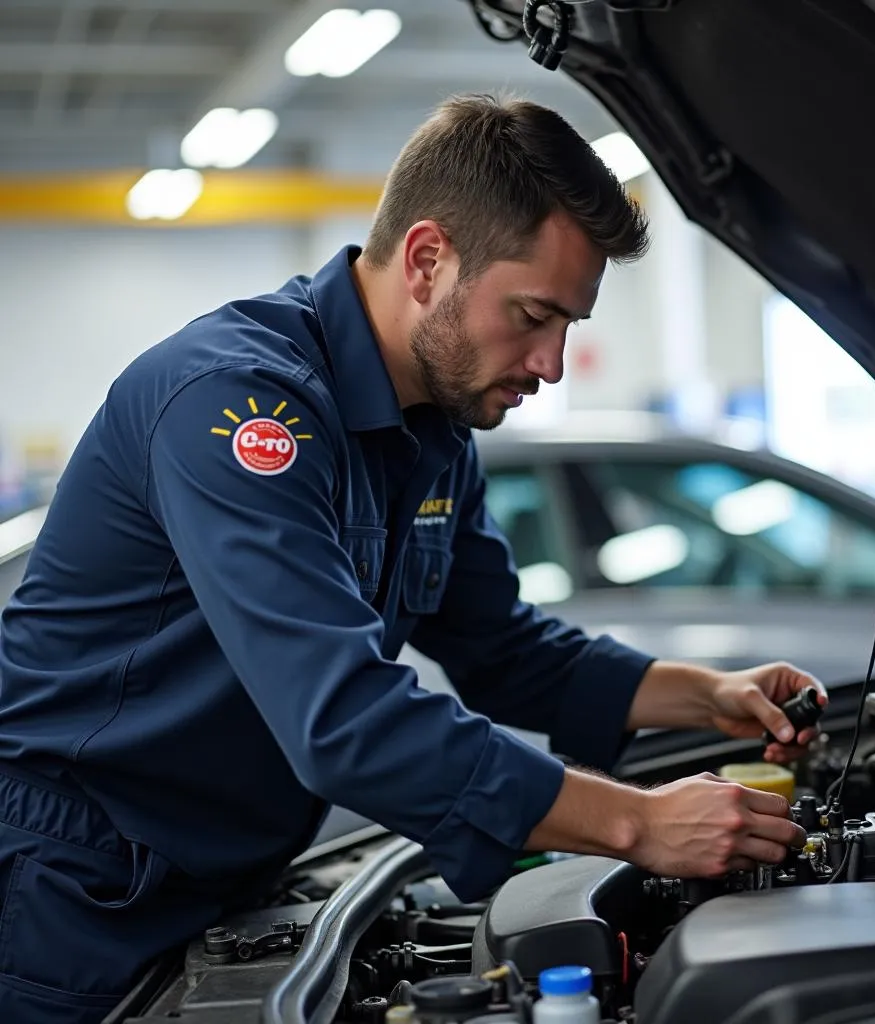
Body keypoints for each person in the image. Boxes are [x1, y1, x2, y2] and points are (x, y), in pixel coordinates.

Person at [0, 94, 824, 1023]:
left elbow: (503, 650)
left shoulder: (433, 429)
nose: (551, 364)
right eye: (533, 315)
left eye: (570, 328)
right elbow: (343, 716)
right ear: (429, 259)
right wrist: (635, 823)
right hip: (77, 883)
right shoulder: (238, 407)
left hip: (223, 876)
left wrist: (704, 692)